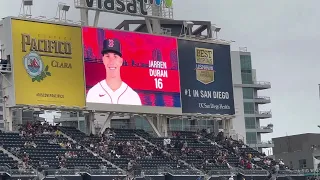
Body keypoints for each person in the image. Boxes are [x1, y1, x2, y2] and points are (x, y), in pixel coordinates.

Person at [86, 39, 142, 105]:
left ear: (121, 61)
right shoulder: (93, 92)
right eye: (107, 56)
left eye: (115, 56)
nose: (111, 61)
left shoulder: (132, 96)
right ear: (103, 59)